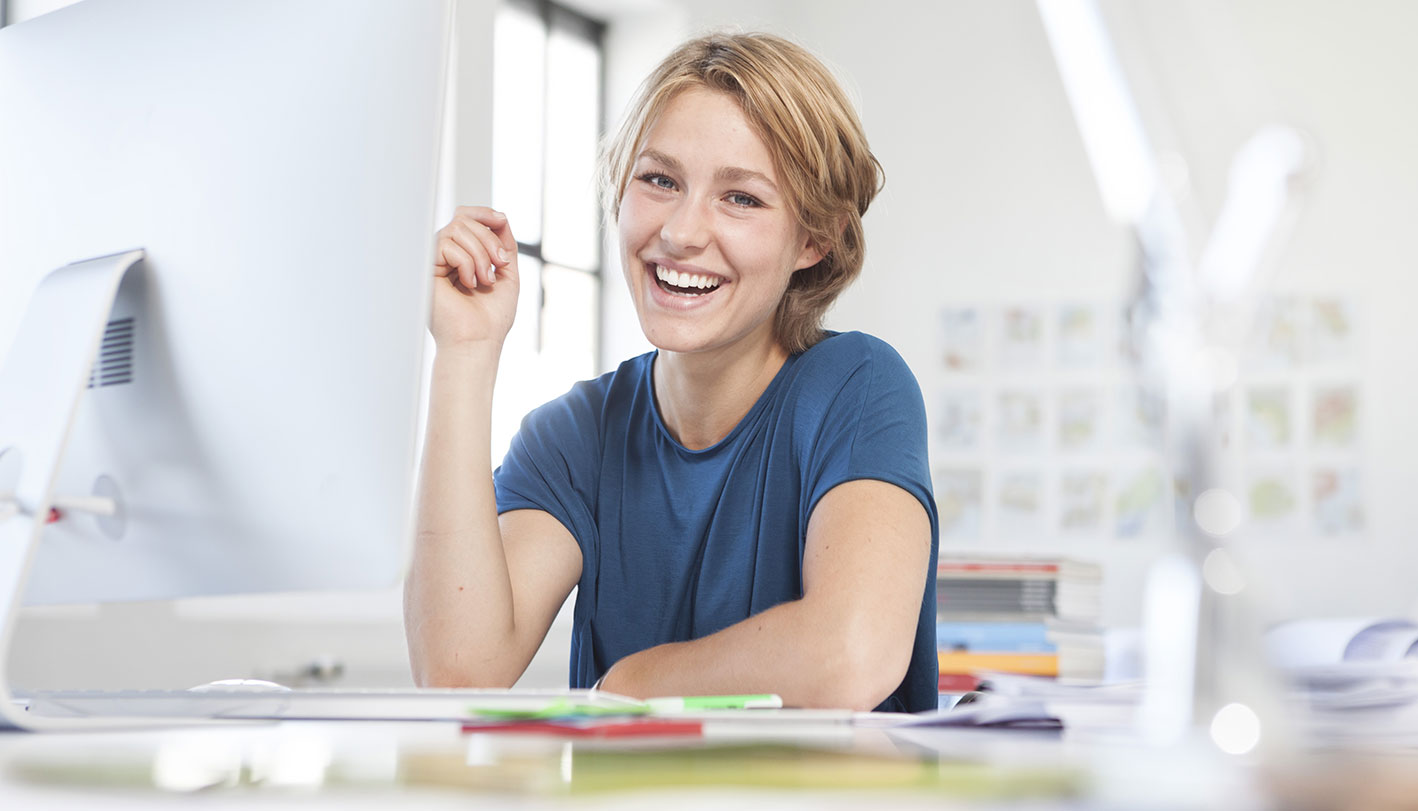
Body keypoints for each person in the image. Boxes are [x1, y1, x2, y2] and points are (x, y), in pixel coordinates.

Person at [404, 31, 939, 712]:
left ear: (814, 239)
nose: (683, 232)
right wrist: (465, 352)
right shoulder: (574, 435)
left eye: (741, 198)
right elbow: (457, 670)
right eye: (660, 180)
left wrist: (625, 686)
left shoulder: (856, 387)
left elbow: (851, 653)